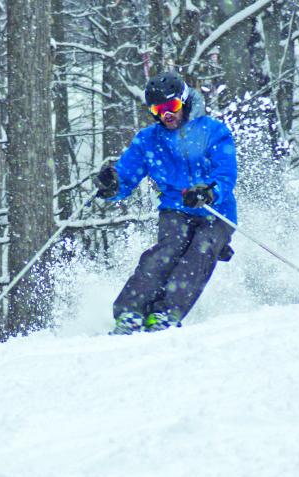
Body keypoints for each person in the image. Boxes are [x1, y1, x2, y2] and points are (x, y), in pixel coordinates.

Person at [92, 71, 237, 334]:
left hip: (215, 210)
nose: (166, 115)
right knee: (168, 248)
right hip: (175, 209)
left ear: (184, 102)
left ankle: (165, 314)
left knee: (201, 250)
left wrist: (208, 191)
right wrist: (112, 185)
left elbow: (225, 174)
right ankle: (130, 312)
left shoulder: (213, 131)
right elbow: (125, 177)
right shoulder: (149, 140)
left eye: (171, 107)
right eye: (158, 110)